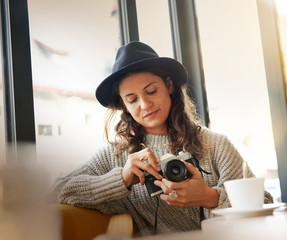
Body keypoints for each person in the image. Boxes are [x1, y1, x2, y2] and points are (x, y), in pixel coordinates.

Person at [51, 41, 273, 236]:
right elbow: (55, 191)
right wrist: (122, 179)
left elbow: (263, 202)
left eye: (151, 91)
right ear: (123, 105)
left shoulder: (215, 145)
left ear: (168, 86)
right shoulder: (118, 156)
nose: (144, 105)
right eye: (132, 99)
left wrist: (209, 197)